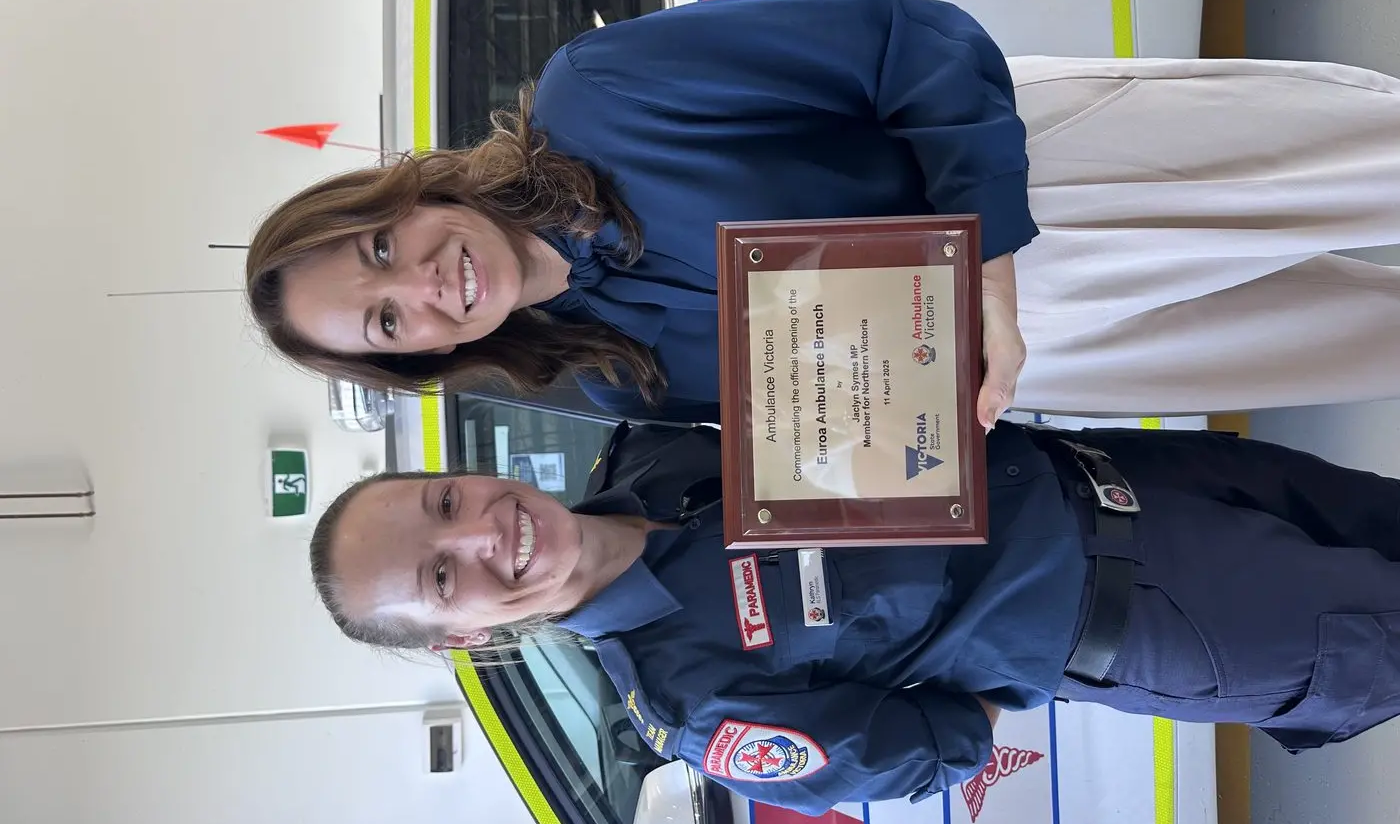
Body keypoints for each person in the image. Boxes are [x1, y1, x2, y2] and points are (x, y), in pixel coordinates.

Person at [246, 0, 1400, 422]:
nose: (420, 283)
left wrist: (991, 282)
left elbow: (915, 44)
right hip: (1049, 360)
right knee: (1372, 344)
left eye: (381, 247)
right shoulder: (615, 379)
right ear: (415, 359)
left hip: (1051, 179)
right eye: (386, 319)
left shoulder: (594, 98)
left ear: (395, 192)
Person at [311, 418, 1400, 816]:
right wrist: (1005, 617)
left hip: (1130, 471)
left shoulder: (658, 447)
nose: (479, 536)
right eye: (442, 579)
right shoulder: (696, 706)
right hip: (1155, 614)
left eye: (441, 505)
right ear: (464, 638)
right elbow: (931, 749)